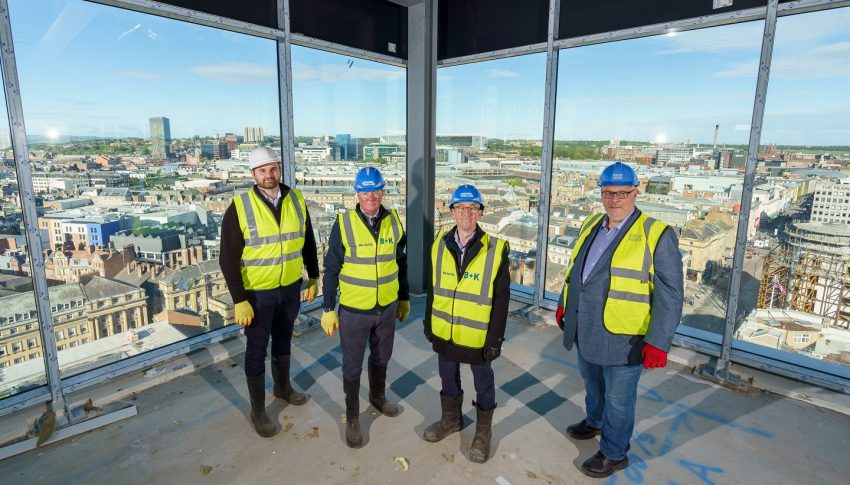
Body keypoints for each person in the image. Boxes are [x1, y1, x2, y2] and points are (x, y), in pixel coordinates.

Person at [555, 161, 683, 478]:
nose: (615, 200)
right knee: (593, 385)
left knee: (619, 399)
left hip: (625, 337)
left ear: (635, 192)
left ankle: (614, 453)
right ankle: (594, 421)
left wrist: (659, 342)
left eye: (622, 192)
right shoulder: (590, 226)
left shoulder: (656, 235)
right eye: (609, 192)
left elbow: (670, 294)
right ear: (601, 193)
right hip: (587, 328)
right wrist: (564, 305)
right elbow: (575, 275)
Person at [219, 146, 319, 437]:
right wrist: (239, 299)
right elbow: (227, 258)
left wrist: (312, 276)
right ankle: (258, 410)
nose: (269, 175)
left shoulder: (297, 199)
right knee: (256, 350)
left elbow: (307, 241)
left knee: (284, 341)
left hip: (289, 287)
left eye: (273, 169)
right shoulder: (239, 206)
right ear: (253, 175)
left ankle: (283, 387)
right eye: (262, 171)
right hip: (257, 293)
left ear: (280, 170)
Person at [320, 166, 410, 448]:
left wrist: (404, 297)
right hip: (355, 310)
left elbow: (401, 263)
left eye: (376, 190)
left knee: (382, 357)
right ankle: (353, 418)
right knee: (352, 365)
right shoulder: (344, 223)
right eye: (365, 191)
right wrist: (327, 307)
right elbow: (332, 267)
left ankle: (378, 397)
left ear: (383, 191)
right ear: (357, 194)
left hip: (385, 307)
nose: (371, 196)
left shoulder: (394, 220)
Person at [422, 184, 510, 464]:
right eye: (460, 208)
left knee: (483, 382)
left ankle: (483, 433)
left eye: (472, 208)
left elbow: (501, 299)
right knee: (448, 377)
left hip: (477, 335)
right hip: (445, 329)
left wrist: (495, 339)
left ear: (481, 213)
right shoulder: (439, 244)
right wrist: (429, 323)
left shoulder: (495, 248)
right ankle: (451, 420)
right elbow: (433, 288)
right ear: (452, 212)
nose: (466, 214)